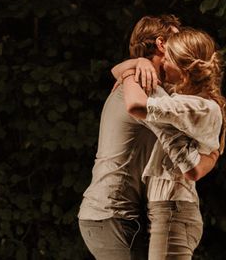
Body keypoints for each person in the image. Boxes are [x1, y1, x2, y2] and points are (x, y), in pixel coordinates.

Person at [78, 16, 218, 259]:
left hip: (118, 214)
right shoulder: (144, 88)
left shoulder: (146, 85)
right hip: (113, 214)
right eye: (177, 38)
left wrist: (127, 68)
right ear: (162, 44)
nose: (182, 44)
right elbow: (187, 158)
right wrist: (211, 157)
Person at [112, 27, 226, 260]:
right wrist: (136, 65)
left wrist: (129, 75)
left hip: (174, 209)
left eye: (169, 59)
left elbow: (136, 106)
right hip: (169, 208)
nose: (162, 63)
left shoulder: (195, 107)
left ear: (185, 68)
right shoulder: (190, 103)